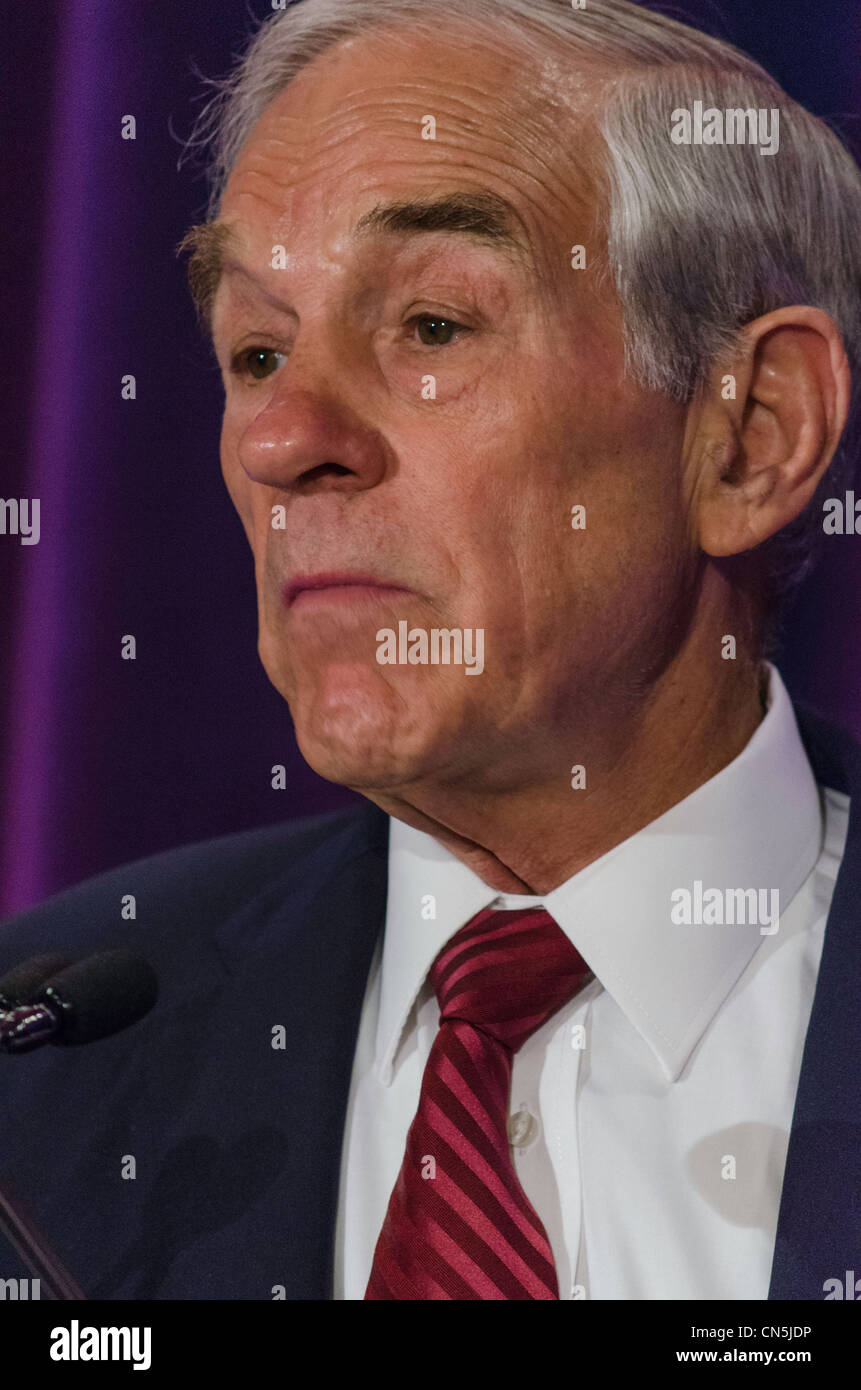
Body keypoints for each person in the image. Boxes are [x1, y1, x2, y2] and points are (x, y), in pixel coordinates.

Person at [1, 0, 858, 1301]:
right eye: (256, 348)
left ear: (748, 434)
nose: (282, 440)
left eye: (431, 328)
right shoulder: (41, 1070)